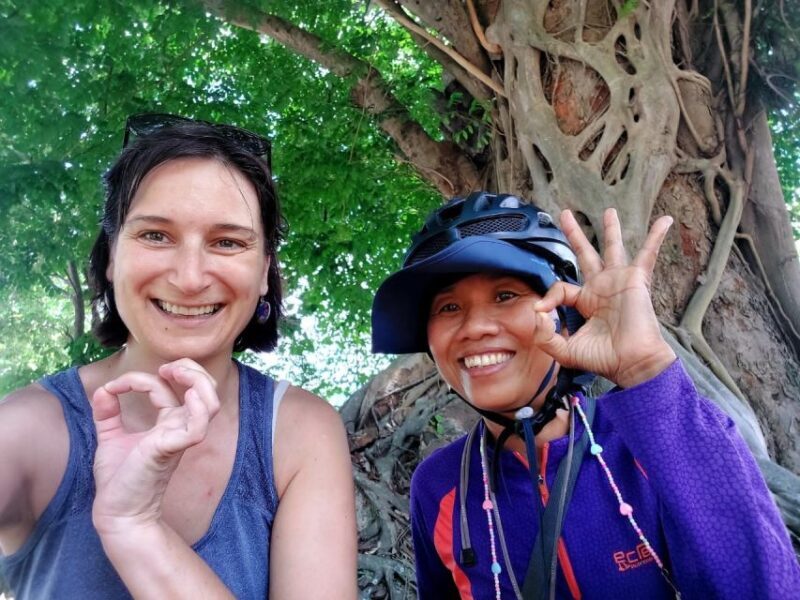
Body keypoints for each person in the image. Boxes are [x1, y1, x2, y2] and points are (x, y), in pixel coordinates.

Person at [371, 192, 800, 599]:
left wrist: (647, 373)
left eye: (505, 295)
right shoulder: (438, 485)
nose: (474, 327)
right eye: (448, 308)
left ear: (567, 317)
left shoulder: (652, 438)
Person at [0, 114, 358, 599]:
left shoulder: (300, 432)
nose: (190, 279)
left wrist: (135, 526)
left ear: (263, 272)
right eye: (155, 235)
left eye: (227, 242)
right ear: (111, 256)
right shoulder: (25, 428)